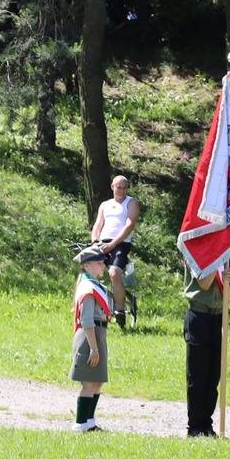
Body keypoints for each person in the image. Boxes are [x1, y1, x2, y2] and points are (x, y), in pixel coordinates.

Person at [184, 266, 230, 437]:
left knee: (213, 375)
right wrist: (216, 263)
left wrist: (228, 279)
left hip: (218, 316)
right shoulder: (198, 255)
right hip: (199, 315)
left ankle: (207, 425)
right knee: (198, 375)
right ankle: (195, 427)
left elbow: (229, 293)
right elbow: (204, 284)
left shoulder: (225, 257)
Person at [71, 246, 113, 431]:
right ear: (86, 265)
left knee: (97, 381)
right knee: (89, 382)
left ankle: (90, 422)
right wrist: (94, 348)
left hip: (98, 334)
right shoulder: (88, 288)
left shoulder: (95, 285)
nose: (103, 265)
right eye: (98, 262)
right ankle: (80, 424)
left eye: (103, 262)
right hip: (90, 337)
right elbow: (87, 320)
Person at [89, 174, 140, 321]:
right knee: (87, 269)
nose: (121, 191)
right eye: (119, 187)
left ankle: (120, 310)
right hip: (102, 242)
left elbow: (129, 225)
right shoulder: (105, 205)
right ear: (112, 187)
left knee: (114, 272)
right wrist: (95, 242)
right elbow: (97, 225)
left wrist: (112, 244)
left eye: (124, 188)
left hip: (121, 244)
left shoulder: (131, 203)